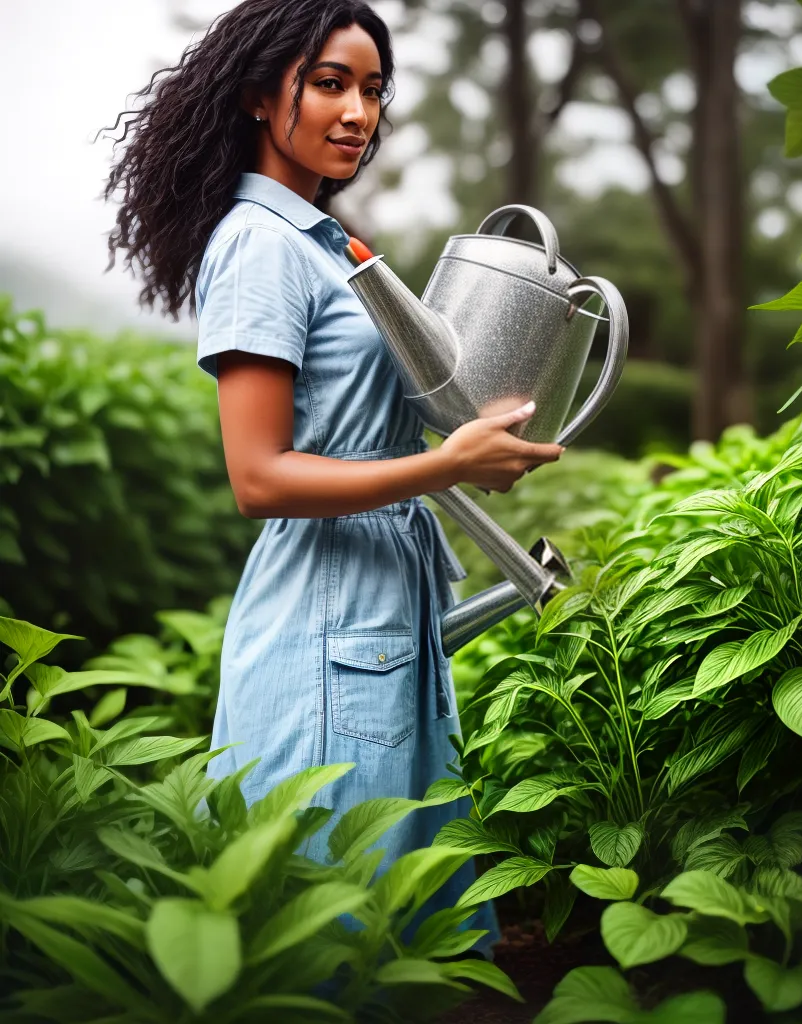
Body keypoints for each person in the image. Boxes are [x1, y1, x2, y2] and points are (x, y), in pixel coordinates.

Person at [102, 0, 564, 952]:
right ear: (257, 95)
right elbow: (259, 478)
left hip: (381, 610)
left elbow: (371, 426)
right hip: (322, 621)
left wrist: (469, 442)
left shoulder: (327, 244)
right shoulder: (259, 247)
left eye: (373, 90)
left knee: (406, 940)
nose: (360, 111)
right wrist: (443, 465)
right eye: (330, 83)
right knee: (329, 937)